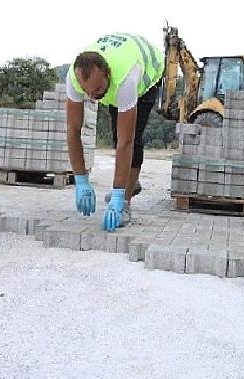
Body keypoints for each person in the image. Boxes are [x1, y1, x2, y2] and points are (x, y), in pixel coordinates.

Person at [66, 33, 164, 232]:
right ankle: (130, 182)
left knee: (131, 137)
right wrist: (81, 180)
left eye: (97, 89)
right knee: (115, 135)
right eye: (88, 93)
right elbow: (73, 129)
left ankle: (126, 201)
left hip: (149, 74)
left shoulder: (126, 78)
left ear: (108, 73)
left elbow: (125, 142)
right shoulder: (75, 79)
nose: (93, 97)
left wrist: (118, 195)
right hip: (118, 73)